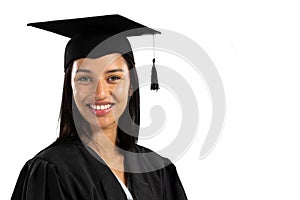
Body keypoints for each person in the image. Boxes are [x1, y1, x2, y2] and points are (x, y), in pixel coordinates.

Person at [11, 15, 188, 200]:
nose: (100, 93)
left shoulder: (157, 169)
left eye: (113, 78)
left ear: (131, 86)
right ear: (70, 88)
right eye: (85, 79)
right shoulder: (51, 169)